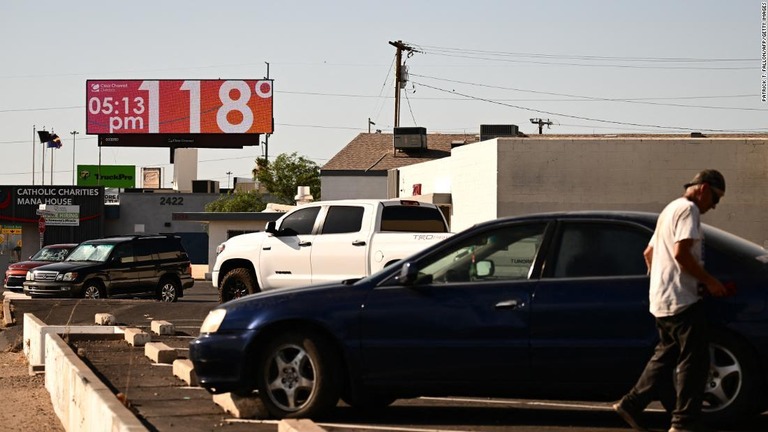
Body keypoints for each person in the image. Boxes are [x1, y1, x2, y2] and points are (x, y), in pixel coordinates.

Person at [613, 169, 729, 432]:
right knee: (694, 362)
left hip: (661, 300)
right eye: (716, 198)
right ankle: (683, 423)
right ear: (703, 189)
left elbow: (649, 252)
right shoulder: (689, 210)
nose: (715, 205)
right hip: (683, 299)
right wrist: (709, 281)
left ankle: (630, 404)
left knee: (666, 355)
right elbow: (682, 254)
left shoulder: (669, 210)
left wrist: (660, 281)